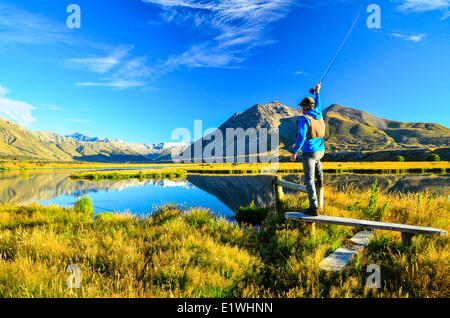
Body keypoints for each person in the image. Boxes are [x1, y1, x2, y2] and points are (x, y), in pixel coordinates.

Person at [290, 83, 326, 216]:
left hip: (309, 152)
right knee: (317, 164)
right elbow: (318, 103)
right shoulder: (318, 112)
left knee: (309, 180)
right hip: (320, 151)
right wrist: (317, 92)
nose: (300, 109)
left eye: (301, 106)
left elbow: (301, 136)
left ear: (304, 107)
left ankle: (314, 208)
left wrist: (294, 152)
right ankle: (321, 181)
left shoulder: (304, 119)